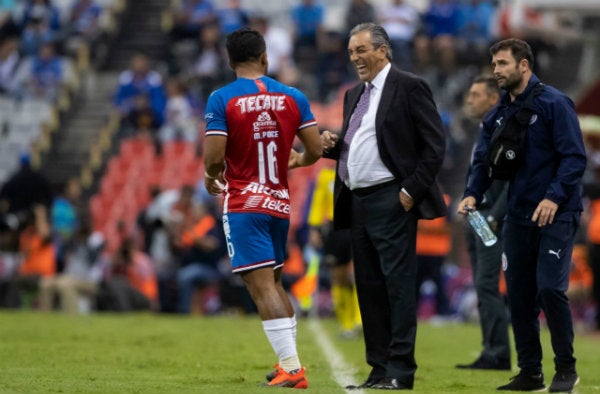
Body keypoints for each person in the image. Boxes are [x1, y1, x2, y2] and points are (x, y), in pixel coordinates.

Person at [321, 22, 446, 390]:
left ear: (382, 49)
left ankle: (401, 371)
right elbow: (362, 146)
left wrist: (410, 191)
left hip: (391, 199)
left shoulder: (409, 86)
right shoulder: (353, 95)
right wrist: (334, 146)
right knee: (370, 287)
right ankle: (378, 370)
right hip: (357, 201)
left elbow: (434, 146)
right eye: (351, 53)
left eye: (361, 50)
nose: (355, 58)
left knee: (397, 286)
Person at [457, 38, 586, 393]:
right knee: (518, 294)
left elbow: (575, 158)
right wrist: (472, 193)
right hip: (518, 214)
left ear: (524, 65)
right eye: (494, 64)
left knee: (549, 289)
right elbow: (483, 162)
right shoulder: (498, 114)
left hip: (556, 213)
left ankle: (566, 369)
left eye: (502, 64)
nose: (496, 71)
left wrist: (553, 197)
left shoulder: (555, 104)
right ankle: (530, 372)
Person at [202, 28, 322, 389]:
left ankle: (292, 367)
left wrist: (212, 177)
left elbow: (214, 156)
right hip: (279, 204)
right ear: (265, 57)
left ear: (229, 60)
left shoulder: (222, 98)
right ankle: (288, 360)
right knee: (272, 283)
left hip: (244, 203)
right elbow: (315, 150)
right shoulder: (293, 96)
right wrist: (297, 162)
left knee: (261, 286)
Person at [455, 75, 512, 370]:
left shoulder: (501, 130)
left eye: (476, 94)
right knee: (481, 283)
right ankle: (489, 348)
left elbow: (508, 180)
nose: (469, 99)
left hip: (489, 216)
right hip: (477, 215)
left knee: (487, 284)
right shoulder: (482, 130)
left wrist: (495, 215)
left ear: (493, 98)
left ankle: (499, 353)